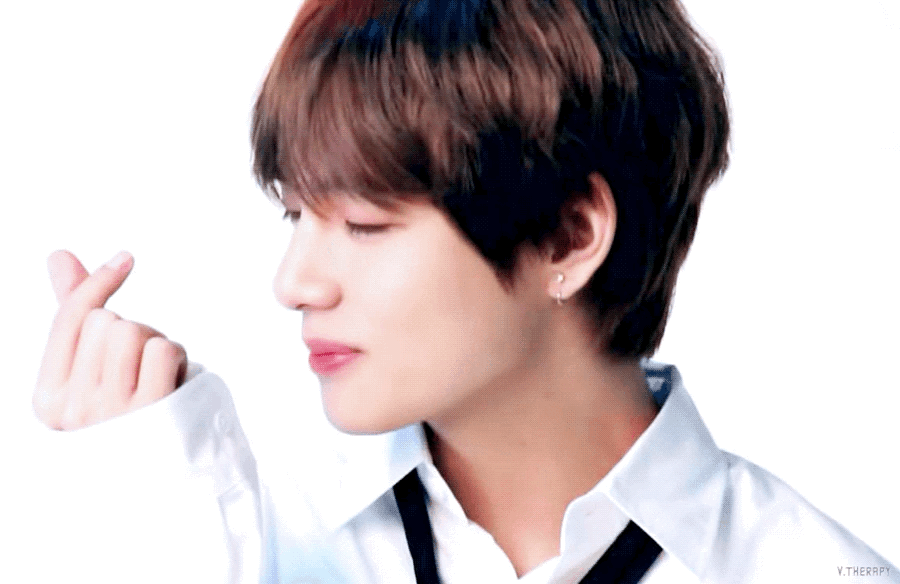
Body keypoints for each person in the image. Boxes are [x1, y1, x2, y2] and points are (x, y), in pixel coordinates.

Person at [31, 0, 898, 582]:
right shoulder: (234, 530)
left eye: (364, 224)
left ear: (569, 236)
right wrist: (139, 527)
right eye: (296, 214)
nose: (293, 283)